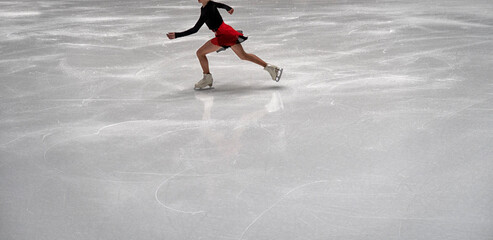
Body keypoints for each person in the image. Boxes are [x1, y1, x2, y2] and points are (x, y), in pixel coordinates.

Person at [166, 0, 282, 89]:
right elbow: (219, 4)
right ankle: (271, 68)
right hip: (226, 31)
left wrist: (177, 35)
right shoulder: (208, 5)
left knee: (200, 53)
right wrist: (228, 8)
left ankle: (207, 78)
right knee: (243, 56)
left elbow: (195, 29)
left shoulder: (207, 10)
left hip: (224, 35)